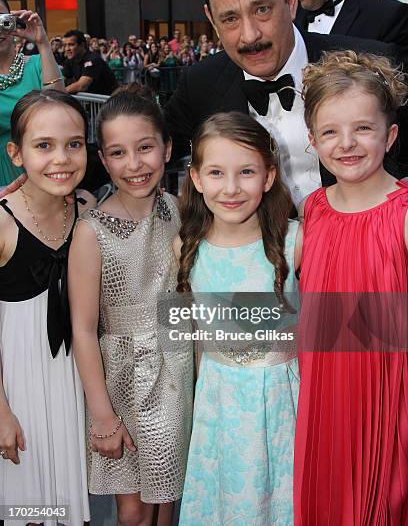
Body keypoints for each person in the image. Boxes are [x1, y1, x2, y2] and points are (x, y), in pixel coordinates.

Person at [164, 0, 405, 209]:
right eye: (230, 18)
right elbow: (147, 150)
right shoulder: (200, 84)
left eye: (262, 9)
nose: (250, 35)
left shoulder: (369, 64)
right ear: (212, 20)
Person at [68, 86, 193, 526]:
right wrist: (102, 415)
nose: (135, 164)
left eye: (145, 147)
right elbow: (83, 329)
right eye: (118, 153)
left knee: (166, 499)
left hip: (176, 374)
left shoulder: (179, 211)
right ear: (103, 160)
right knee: (132, 510)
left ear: (168, 148)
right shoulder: (91, 231)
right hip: (122, 380)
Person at [295, 50, 408, 525]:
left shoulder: (403, 215)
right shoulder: (312, 211)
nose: (347, 143)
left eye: (363, 128)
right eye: (330, 131)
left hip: (385, 396)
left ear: (391, 135)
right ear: (312, 141)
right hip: (321, 394)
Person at [176, 112, 300, 525]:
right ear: (195, 178)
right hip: (218, 406)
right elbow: (187, 339)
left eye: (246, 172)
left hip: (285, 405)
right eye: (215, 172)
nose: (230, 188)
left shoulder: (295, 242)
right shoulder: (186, 248)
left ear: (268, 176)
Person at [0, 89, 93, 526]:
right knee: (30, 510)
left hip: (72, 382)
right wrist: (0, 411)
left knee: (67, 505)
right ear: (16, 154)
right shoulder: (1, 222)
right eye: (44, 146)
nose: (62, 158)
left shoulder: (87, 213)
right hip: (16, 387)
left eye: (74, 144)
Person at [0, 0, 64, 186]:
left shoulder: (37, 64)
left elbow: (59, 108)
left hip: (43, 164)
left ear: (13, 21)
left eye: (2, 19)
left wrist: (42, 41)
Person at [62, 29, 118, 95]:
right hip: (95, 102)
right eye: (65, 45)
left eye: (71, 45)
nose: (67, 49)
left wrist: (60, 92)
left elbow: (82, 86)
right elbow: (62, 80)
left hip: (109, 100)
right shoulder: (69, 61)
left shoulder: (93, 59)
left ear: (82, 45)